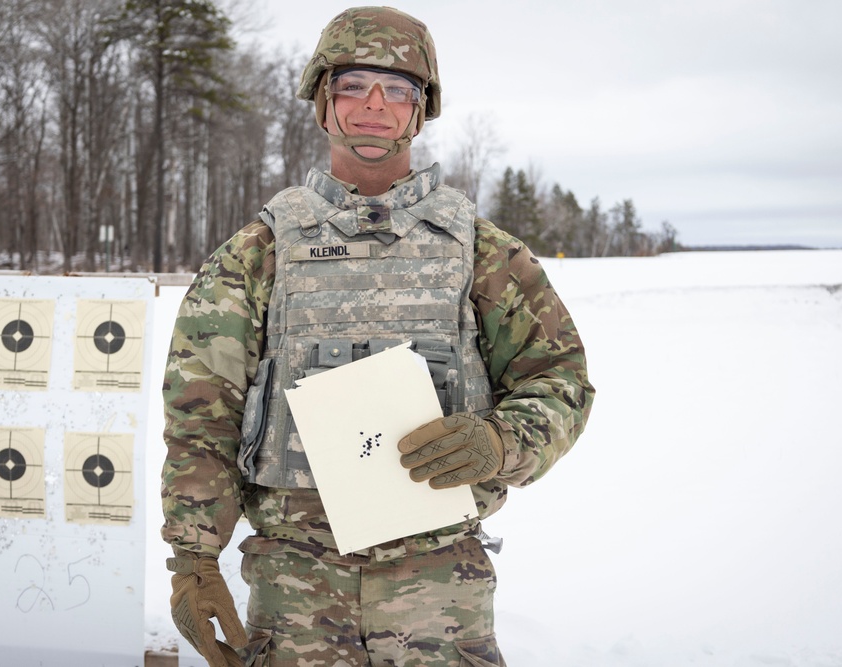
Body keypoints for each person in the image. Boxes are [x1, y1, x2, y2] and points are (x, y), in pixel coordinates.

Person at [161, 6, 594, 666]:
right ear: (321, 102)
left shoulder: (479, 251)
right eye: (353, 85)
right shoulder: (259, 253)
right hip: (295, 586)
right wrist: (193, 557)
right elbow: (202, 414)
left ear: (420, 112)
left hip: (439, 588)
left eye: (398, 89)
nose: (374, 106)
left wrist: (501, 441)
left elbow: (560, 379)